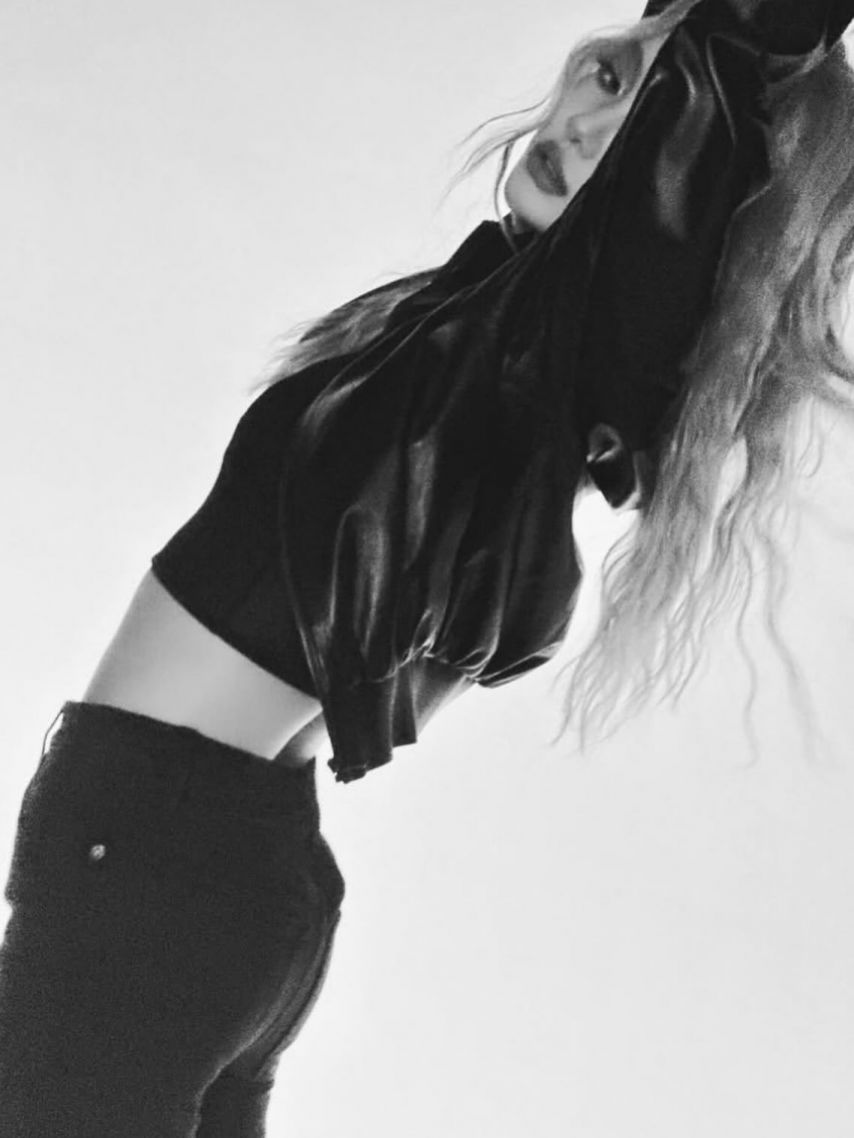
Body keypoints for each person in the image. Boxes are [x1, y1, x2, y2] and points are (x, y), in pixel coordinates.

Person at [1, 0, 853, 1134]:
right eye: (608, 75)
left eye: (652, 129)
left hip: (141, 880)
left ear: (687, 203)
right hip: (231, 881)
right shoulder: (513, 395)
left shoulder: (490, 386)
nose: (584, 121)